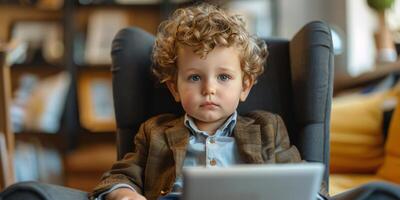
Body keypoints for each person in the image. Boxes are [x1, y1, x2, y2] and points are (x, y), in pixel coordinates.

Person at [89, 3, 328, 200]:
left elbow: (301, 183)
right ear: (174, 88)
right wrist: (125, 196)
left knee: (366, 193)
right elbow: (120, 177)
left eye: (224, 77)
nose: (209, 89)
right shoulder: (155, 132)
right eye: (194, 77)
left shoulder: (268, 127)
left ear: (244, 87)